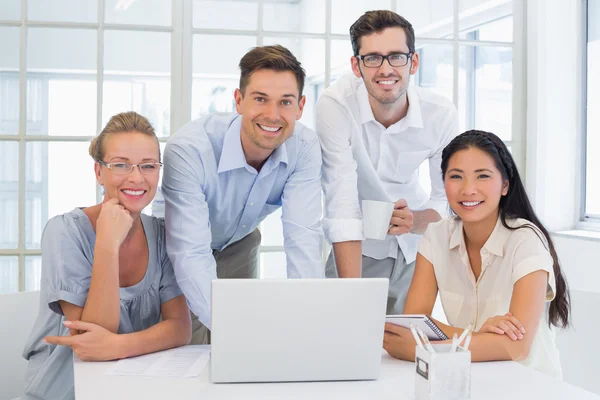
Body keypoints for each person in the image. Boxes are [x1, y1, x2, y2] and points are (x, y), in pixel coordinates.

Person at [157, 45, 324, 344]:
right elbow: (191, 253)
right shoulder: (190, 149)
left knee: (237, 352)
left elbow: (304, 239)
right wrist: (235, 330)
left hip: (239, 242)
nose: (273, 115)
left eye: (285, 102)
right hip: (175, 246)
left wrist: (311, 318)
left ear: (300, 106)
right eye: (260, 99)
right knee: (188, 344)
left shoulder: (305, 147)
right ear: (239, 100)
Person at [21, 112, 191, 400]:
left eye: (148, 166)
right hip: (64, 391)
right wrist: (107, 245)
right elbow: (93, 336)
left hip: (127, 390)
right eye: (121, 165)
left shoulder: (163, 234)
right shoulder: (64, 232)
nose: (137, 177)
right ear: (99, 172)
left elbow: (180, 329)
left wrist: (117, 346)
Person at [383, 130, 571, 378]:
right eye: (456, 176)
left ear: (505, 185)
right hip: (468, 378)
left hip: (529, 383)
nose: (468, 189)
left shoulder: (526, 240)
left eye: (482, 176)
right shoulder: (436, 236)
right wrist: (482, 338)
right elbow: (409, 330)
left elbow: (517, 348)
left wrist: (438, 335)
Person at [316, 10, 459, 314]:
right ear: (356, 65)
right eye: (372, 58)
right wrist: (349, 297)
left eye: (396, 56)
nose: (385, 69)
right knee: (339, 342)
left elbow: (447, 198)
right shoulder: (336, 105)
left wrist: (416, 220)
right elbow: (340, 197)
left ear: (413, 62)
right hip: (354, 250)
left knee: (404, 349)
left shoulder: (440, 115)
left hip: (415, 251)